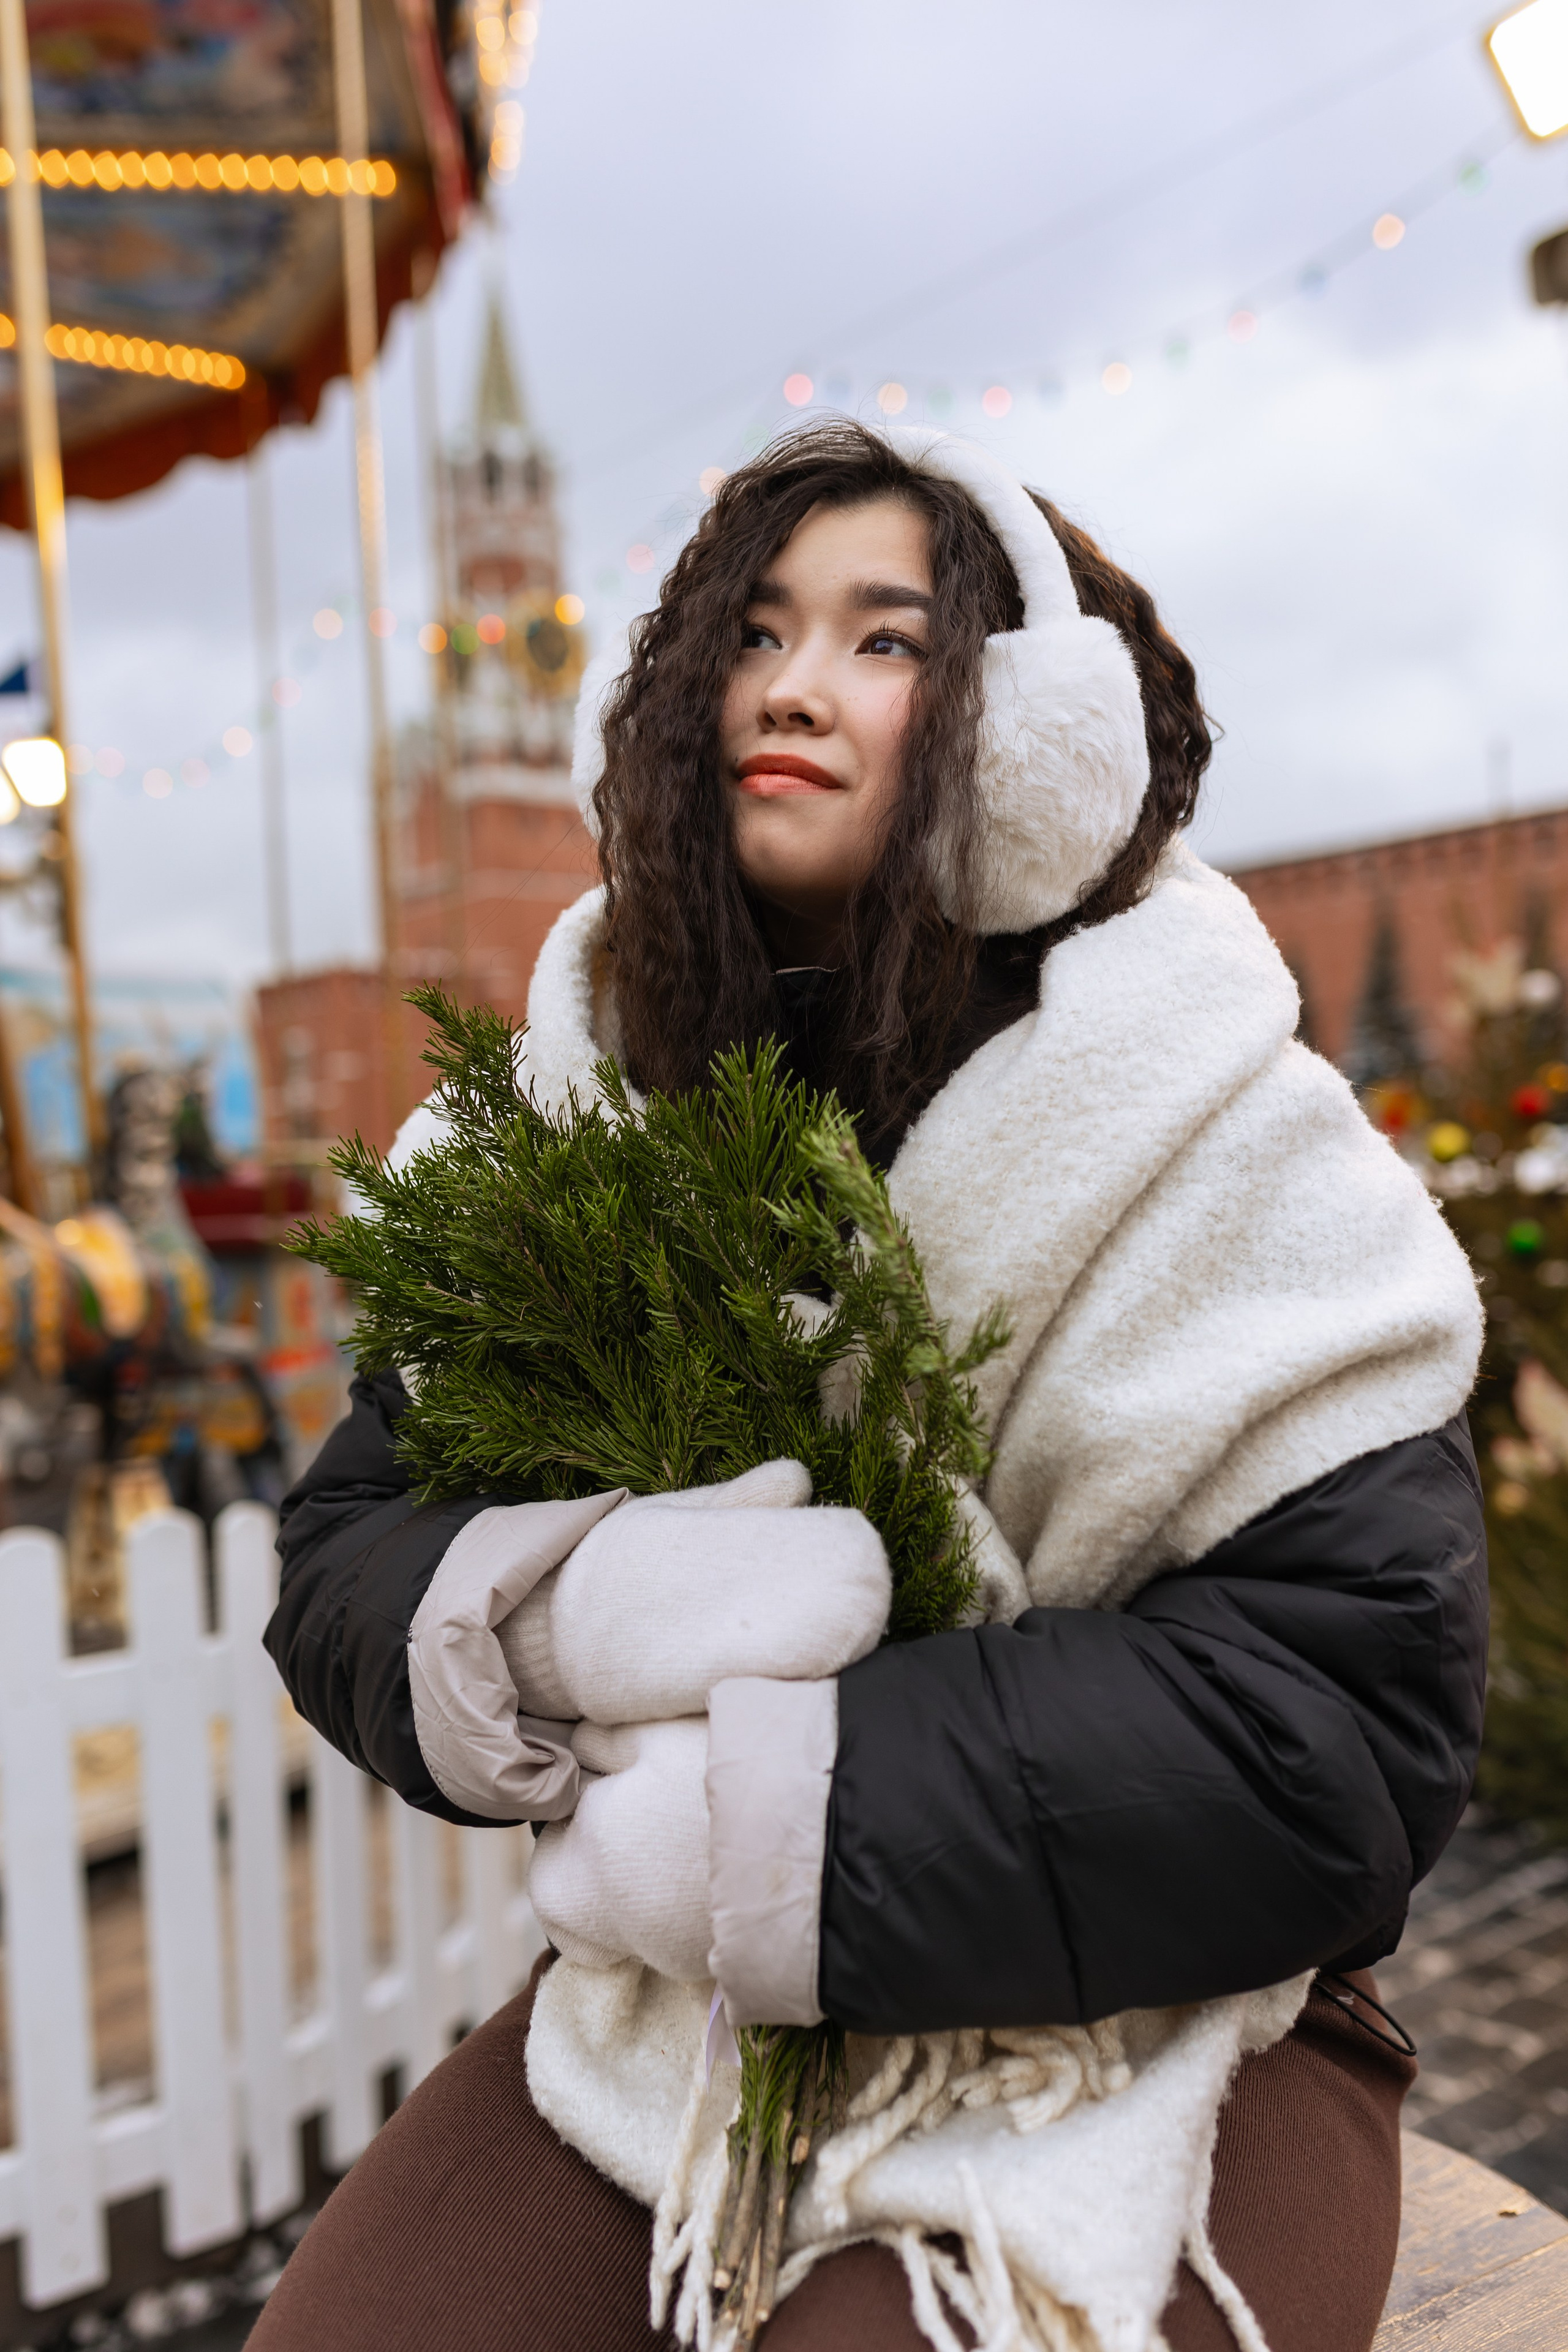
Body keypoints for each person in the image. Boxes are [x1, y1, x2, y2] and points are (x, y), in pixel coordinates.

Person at [250, 422, 1486, 2352]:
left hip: (1181, 2012)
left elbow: (1340, 1713)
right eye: (754, 633)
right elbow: (343, 1544)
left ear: (1031, 729)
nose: (795, 686)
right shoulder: (576, 1103)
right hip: (683, 2023)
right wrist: (553, 1613)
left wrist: (787, 1823)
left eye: (885, 640)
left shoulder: (1223, 1140)